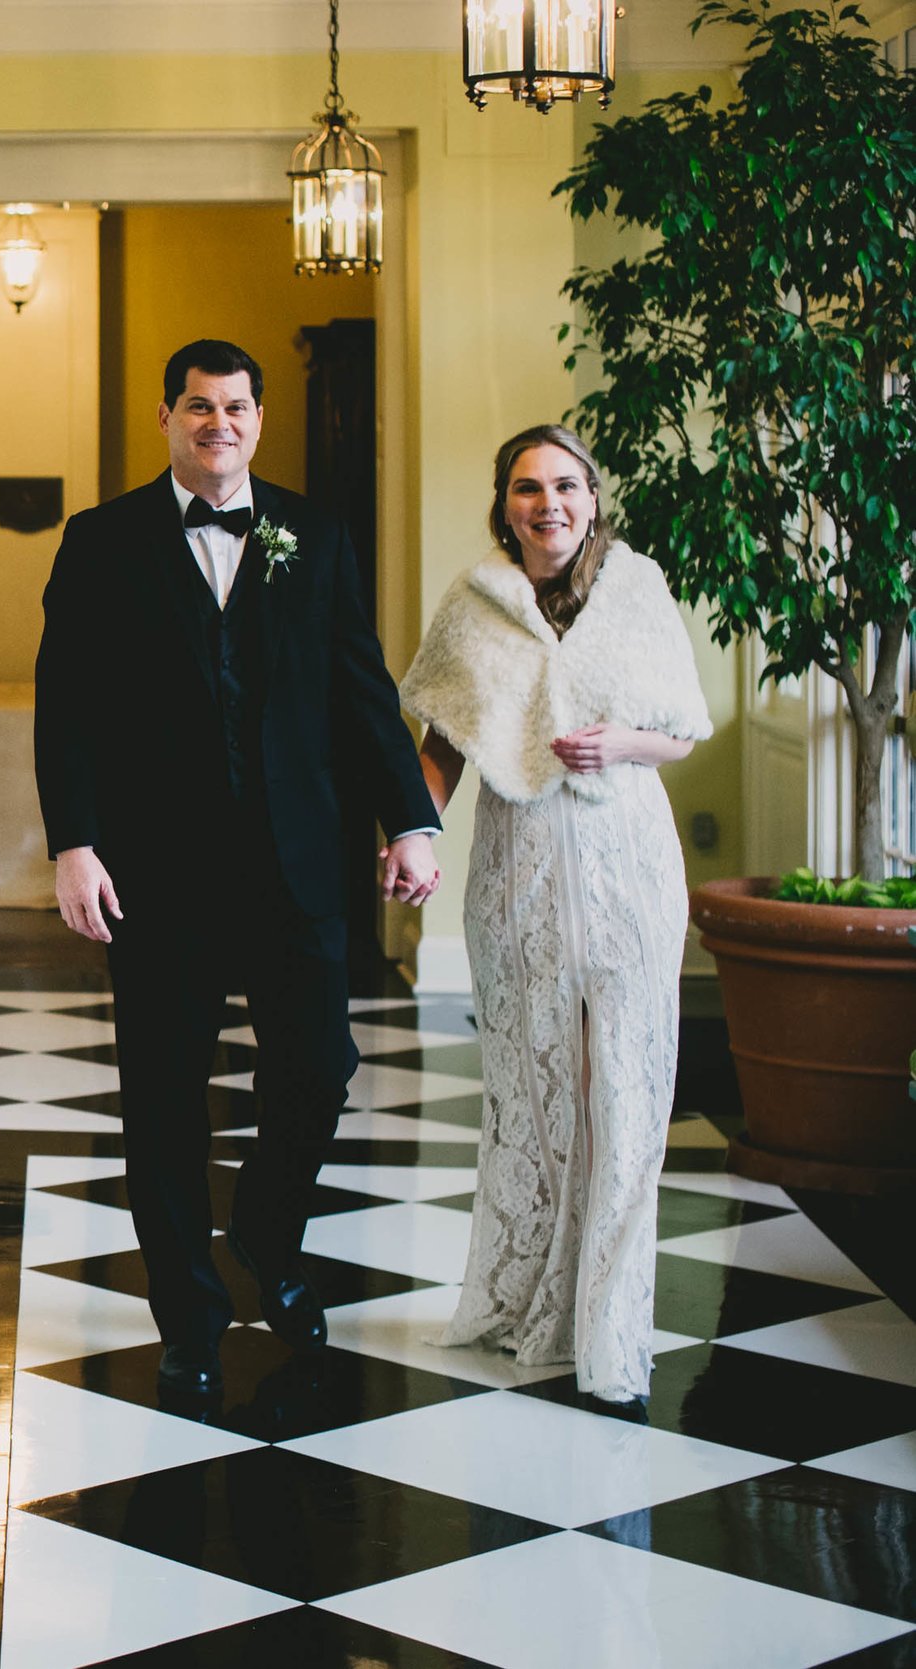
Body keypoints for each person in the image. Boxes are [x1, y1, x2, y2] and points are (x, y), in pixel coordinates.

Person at [33, 339, 442, 1405]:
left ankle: (266, 1230)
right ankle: (189, 1316)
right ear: (165, 417)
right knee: (163, 1101)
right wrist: (72, 841)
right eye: (199, 408)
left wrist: (410, 819)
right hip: (153, 875)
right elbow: (67, 702)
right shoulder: (101, 539)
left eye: (238, 409)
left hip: (292, 864)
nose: (220, 425)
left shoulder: (313, 533)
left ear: (259, 421)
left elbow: (361, 688)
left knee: (320, 1062)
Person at [399, 423, 711, 1411]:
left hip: (628, 869)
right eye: (528, 488)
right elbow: (441, 740)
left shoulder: (639, 588)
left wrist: (621, 740)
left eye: (566, 486)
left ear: (591, 497)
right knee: (538, 1093)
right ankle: (531, 1299)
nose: (549, 504)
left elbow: (680, 729)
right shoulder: (475, 603)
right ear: (504, 503)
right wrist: (413, 834)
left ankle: (608, 1323)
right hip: (519, 872)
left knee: (621, 1088)